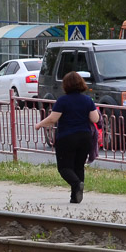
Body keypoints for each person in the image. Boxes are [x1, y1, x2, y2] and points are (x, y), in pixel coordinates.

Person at [35, 71, 101, 203]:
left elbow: (53, 118)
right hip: (85, 137)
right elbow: (95, 118)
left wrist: (39, 124)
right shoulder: (87, 100)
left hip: (67, 137)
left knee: (64, 167)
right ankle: (75, 197)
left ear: (66, 85)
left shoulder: (62, 100)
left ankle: (76, 184)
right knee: (78, 166)